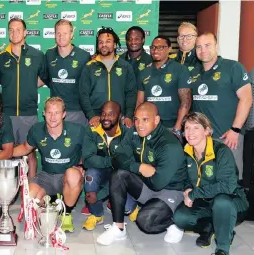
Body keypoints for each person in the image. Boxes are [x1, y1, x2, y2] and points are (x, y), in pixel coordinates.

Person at [97, 102, 187, 245]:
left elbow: (158, 183)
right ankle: (119, 229)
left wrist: (137, 170)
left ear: (156, 120)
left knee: (145, 221)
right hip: (148, 184)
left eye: (145, 119)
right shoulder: (134, 133)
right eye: (136, 119)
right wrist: (139, 167)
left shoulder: (168, 144)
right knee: (118, 175)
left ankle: (175, 222)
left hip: (171, 191)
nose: (139, 124)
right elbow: (116, 158)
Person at [173, 112, 249, 255]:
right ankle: (211, 228)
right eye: (187, 128)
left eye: (196, 128)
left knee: (221, 202)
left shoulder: (221, 151)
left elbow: (227, 186)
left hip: (232, 201)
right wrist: (188, 188)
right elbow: (183, 178)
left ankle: (223, 247)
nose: (190, 132)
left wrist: (194, 193)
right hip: (206, 202)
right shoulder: (186, 152)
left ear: (207, 130)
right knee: (180, 218)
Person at [13, 97, 84, 233]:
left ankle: (67, 213)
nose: (53, 117)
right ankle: (50, 201)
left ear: (64, 114)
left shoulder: (78, 130)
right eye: (49, 112)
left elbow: (88, 152)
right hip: (46, 176)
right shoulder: (37, 130)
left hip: (66, 176)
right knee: (30, 199)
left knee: (73, 175)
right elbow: (25, 148)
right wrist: (6, 153)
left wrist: (81, 166)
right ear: (43, 113)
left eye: (57, 113)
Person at [190, 32, 253, 186]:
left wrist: (235, 130)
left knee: (230, 182)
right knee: (204, 182)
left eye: (207, 45)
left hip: (228, 138)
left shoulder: (233, 67)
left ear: (216, 47)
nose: (203, 50)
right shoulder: (193, 72)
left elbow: (247, 98)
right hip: (202, 140)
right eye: (199, 46)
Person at [0, 18, 48, 179]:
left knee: (30, 155)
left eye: (18, 29)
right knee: (5, 154)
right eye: (11, 30)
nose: (14, 33)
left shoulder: (37, 55)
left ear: (25, 32)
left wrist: (30, 87)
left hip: (28, 114)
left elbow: (45, 78)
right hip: (7, 115)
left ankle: (30, 192)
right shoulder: (0, 57)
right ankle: (3, 192)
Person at [81, 101, 138, 230]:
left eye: (111, 114)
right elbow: (87, 160)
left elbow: (124, 165)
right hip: (101, 173)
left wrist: (100, 195)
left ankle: (133, 207)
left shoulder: (127, 133)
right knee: (90, 175)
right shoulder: (92, 131)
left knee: (127, 207)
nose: (106, 118)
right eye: (103, 114)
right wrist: (111, 161)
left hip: (120, 177)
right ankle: (97, 214)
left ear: (120, 116)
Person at [79, 27, 136, 129]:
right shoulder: (89, 67)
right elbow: (83, 94)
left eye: (108, 41)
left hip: (120, 119)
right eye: (100, 42)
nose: (103, 45)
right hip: (96, 119)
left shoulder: (126, 67)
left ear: (114, 45)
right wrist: (91, 115)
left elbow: (131, 93)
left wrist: (129, 115)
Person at [136, 36, 191, 136]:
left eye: (160, 47)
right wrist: (138, 123)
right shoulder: (144, 72)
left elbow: (186, 101)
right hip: (149, 126)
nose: (155, 50)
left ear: (169, 49)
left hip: (172, 126)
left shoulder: (180, 69)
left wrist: (178, 127)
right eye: (153, 47)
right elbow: (139, 101)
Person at [44, 19, 91, 125]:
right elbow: (45, 78)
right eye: (58, 33)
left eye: (65, 33)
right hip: (55, 113)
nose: (61, 37)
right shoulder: (49, 54)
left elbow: (89, 84)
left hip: (77, 111)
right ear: (54, 35)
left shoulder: (84, 56)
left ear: (71, 34)